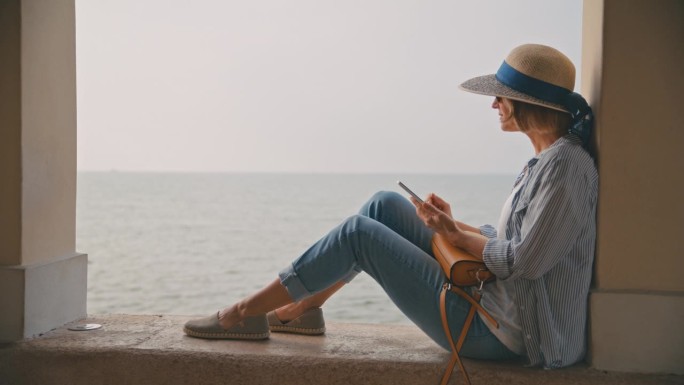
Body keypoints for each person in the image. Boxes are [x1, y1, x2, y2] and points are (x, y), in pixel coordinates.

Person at [184, 43, 598, 369]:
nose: (493, 105)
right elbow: (509, 240)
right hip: (497, 307)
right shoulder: (545, 162)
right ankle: (305, 309)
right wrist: (454, 225)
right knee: (384, 204)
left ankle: (242, 313)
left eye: (500, 97)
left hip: (506, 334)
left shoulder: (565, 167)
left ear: (526, 102)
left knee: (358, 234)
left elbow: (524, 261)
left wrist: (451, 235)